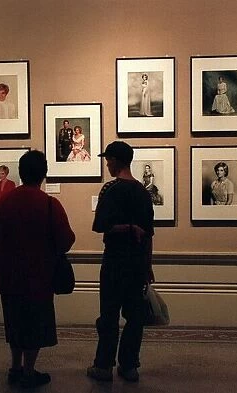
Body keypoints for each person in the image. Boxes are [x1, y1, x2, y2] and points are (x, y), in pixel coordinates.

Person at [0, 150, 75, 389]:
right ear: (44, 174)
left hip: (9, 277)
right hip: (39, 276)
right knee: (35, 325)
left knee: (14, 322)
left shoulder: (3, 204)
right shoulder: (49, 204)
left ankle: (15, 367)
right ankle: (28, 371)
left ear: (21, 172)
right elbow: (66, 240)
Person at [87, 141, 154, 383]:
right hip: (137, 263)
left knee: (109, 316)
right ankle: (129, 365)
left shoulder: (110, 190)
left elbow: (99, 226)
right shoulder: (143, 192)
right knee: (135, 317)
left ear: (115, 160)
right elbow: (149, 235)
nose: (106, 163)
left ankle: (103, 365)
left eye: (108, 159)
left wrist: (124, 228)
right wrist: (148, 266)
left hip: (115, 261)